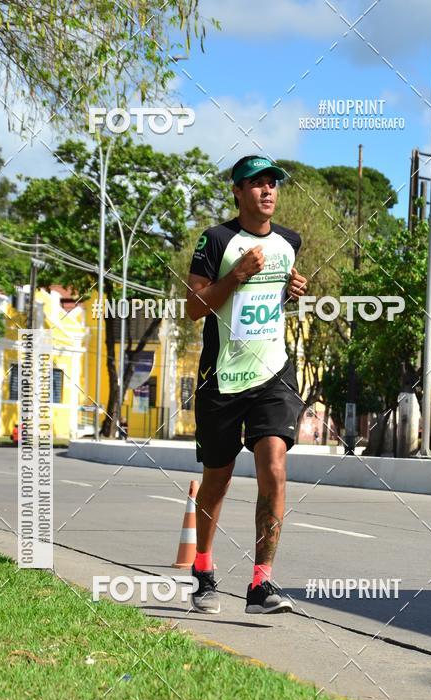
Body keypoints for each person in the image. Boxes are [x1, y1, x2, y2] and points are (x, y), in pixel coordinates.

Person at [185, 155, 308, 615]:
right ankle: (203, 571)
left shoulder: (290, 242)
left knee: (273, 466)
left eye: (272, 183)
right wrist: (236, 276)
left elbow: (277, 303)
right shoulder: (216, 240)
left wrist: (294, 293)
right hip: (222, 375)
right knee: (217, 478)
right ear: (237, 192)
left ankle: (261, 584)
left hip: (272, 372)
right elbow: (195, 307)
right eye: (255, 184)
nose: (267, 191)